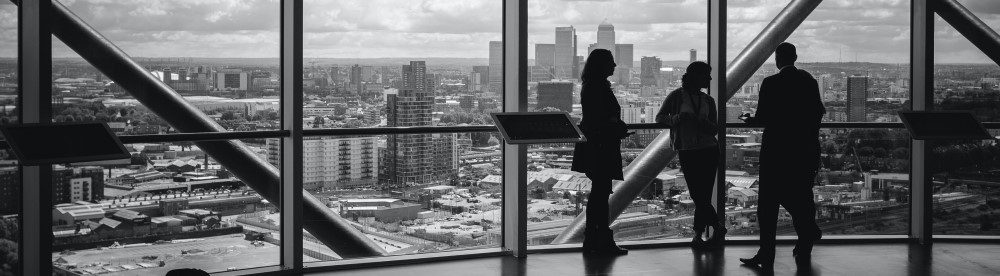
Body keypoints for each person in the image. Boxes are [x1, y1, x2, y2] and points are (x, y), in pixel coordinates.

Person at [739, 42, 825, 269]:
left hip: (776, 152)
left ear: (777, 60)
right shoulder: (809, 82)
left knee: (768, 205)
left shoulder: (771, 83)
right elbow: (818, 113)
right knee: (802, 195)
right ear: (795, 57)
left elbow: (764, 118)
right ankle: (805, 240)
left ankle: (767, 254)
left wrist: (749, 120)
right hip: (804, 151)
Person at [655, 61, 725, 249]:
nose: (710, 79)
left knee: (701, 195)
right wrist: (678, 119)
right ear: (696, 77)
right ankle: (716, 227)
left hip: (706, 150)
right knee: (699, 195)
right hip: (693, 150)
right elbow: (660, 118)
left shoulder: (708, 100)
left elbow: (714, 128)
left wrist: (700, 121)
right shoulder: (677, 96)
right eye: (706, 75)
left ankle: (698, 235)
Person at [571, 48, 630, 255]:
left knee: (599, 194)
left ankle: (594, 240)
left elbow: (595, 118)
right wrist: (616, 126)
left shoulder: (591, 86)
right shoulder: (598, 87)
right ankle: (600, 240)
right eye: (611, 62)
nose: (614, 66)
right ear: (601, 65)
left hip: (595, 145)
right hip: (601, 146)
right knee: (600, 195)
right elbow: (601, 118)